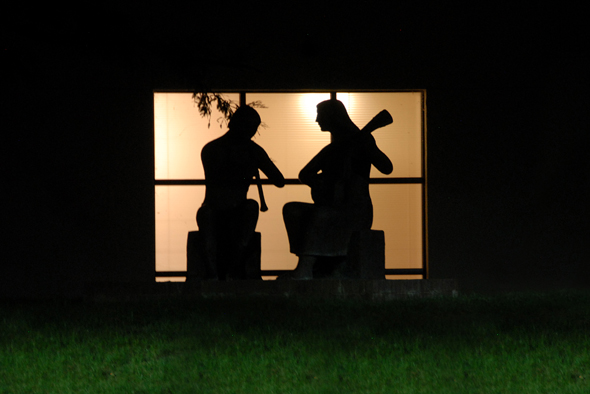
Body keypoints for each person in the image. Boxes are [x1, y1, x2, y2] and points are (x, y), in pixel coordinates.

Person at [281, 99, 392, 279]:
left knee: (321, 215)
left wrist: (368, 148)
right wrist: (320, 183)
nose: (317, 120)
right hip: (333, 206)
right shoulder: (333, 149)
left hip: (355, 210)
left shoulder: (362, 141)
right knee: (292, 209)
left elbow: (387, 167)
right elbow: (305, 173)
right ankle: (315, 262)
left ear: (334, 117)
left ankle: (306, 267)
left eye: (320, 115)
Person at [196, 105, 285, 280]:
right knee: (207, 219)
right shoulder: (212, 149)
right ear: (236, 124)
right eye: (249, 127)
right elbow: (221, 179)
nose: (251, 132)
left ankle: (234, 270)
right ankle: (213, 275)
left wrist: (259, 159)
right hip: (213, 207)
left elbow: (279, 181)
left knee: (252, 206)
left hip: (239, 208)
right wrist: (247, 164)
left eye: (254, 128)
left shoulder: (252, 150)